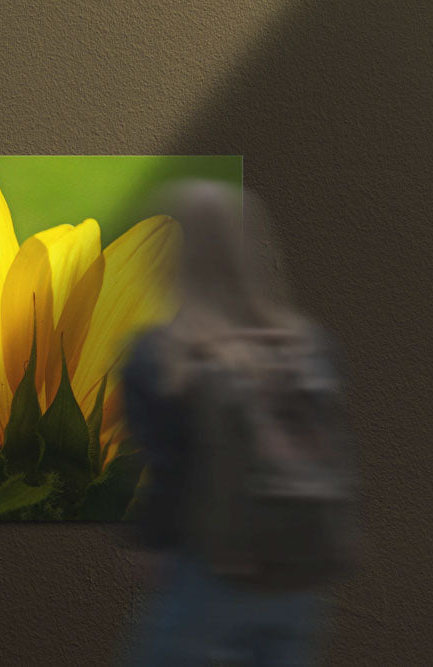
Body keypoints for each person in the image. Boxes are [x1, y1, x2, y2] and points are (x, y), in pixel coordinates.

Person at [116, 181, 352, 665]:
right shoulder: (309, 346)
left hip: (207, 573)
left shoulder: (165, 354)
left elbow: (168, 473)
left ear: (172, 256)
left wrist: (149, 546)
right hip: (296, 577)